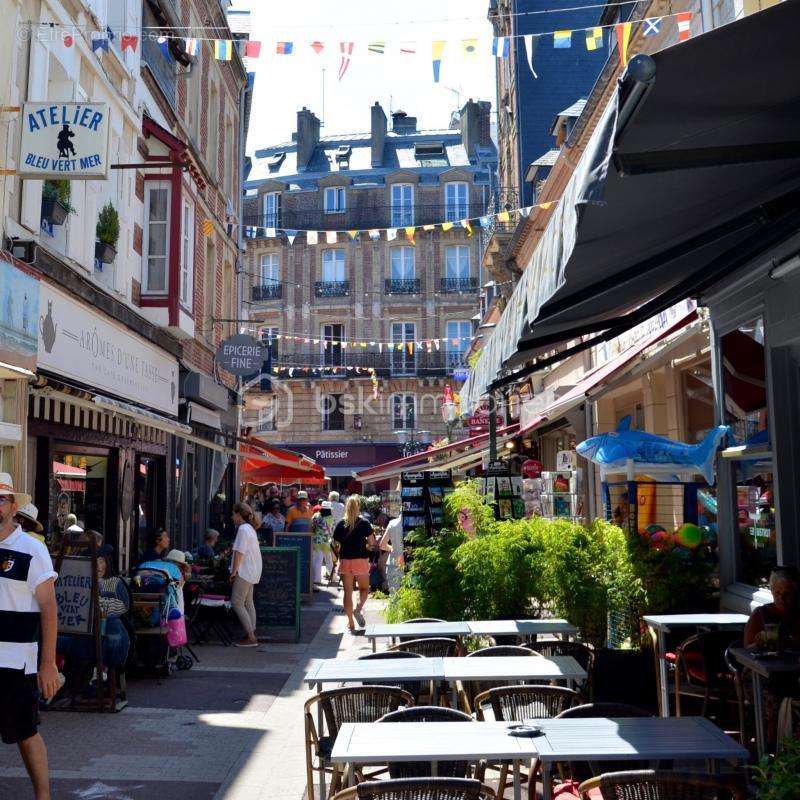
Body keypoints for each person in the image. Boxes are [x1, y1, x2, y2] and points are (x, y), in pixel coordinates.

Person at [0, 473, 60, 800]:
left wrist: (48, 664)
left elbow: (49, 607)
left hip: (16, 662)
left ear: (12, 506)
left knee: (25, 733)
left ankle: (44, 796)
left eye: (1, 500)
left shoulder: (30, 550)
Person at [743, 567, 800, 747]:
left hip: (792, 673)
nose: (781, 598)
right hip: (763, 675)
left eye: (787, 593)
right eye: (777, 593)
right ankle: (770, 745)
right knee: (773, 695)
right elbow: (747, 649)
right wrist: (759, 643)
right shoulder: (762, 614)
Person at [332, 496, 376, 632]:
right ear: (358, 507)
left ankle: (350, 622)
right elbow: (372, 543)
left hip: (345, 561)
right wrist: (367, 546)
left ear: (346, 507)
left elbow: (334, 543)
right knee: (364, 589)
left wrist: (339, 550)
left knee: (347, 592)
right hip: (361, 560)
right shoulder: (364, 523)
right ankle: (358, 609)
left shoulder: (341, 524)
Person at [230, 502, 263, 647]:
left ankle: (250, 636)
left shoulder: (243, 529)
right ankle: (251, 632)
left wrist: (233, 571)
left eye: (233, 514)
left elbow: (239, 552)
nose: (232, 517)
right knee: (248, 602)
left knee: (237, 602)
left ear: (238, 514)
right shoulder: (250, 528)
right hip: (253, 570)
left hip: (245, 570)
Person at [310, 502, 334, 586]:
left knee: (317, 560)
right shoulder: (330, 518)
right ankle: (333, 576)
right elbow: (331, 529)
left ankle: (316, 579)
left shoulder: (315, 516)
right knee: (329, 560)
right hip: (326, 541)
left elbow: (312, 527)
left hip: (316, 540)